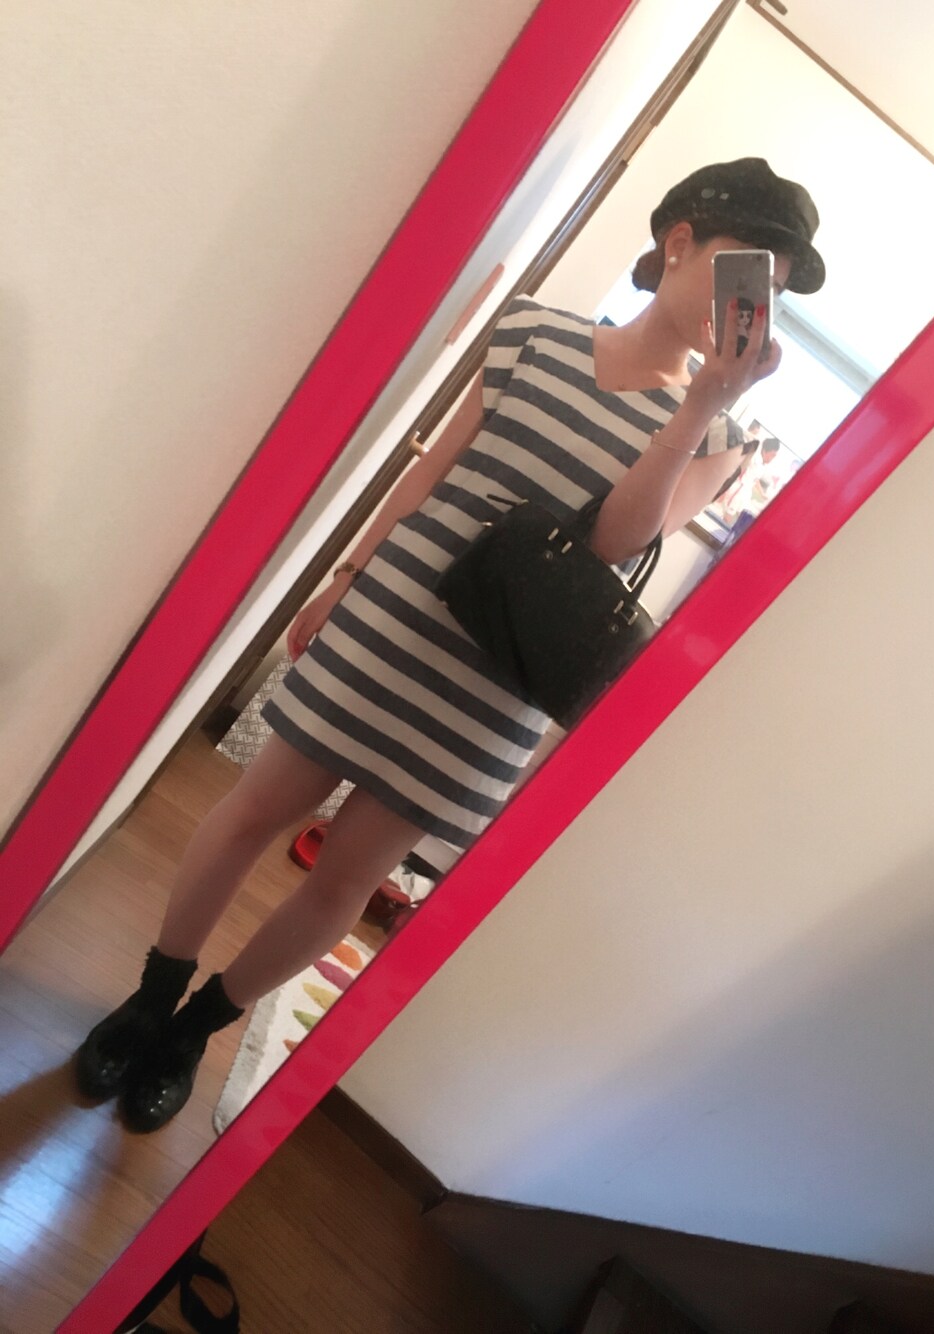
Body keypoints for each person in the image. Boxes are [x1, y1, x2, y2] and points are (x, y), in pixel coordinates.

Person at [75, 157, 825, 1132]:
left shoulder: (717, 442)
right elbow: (429, 474)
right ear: (680, 241)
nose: (752, 304)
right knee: (257, 806)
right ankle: (149, 1000)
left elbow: (613, 541)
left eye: (772, 291)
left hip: (494, 687)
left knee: (346, 878)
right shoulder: (533, 333)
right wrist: (343, 576)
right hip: (393, 612)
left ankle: (193, 1030)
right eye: (747, 268)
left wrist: (697, 409)